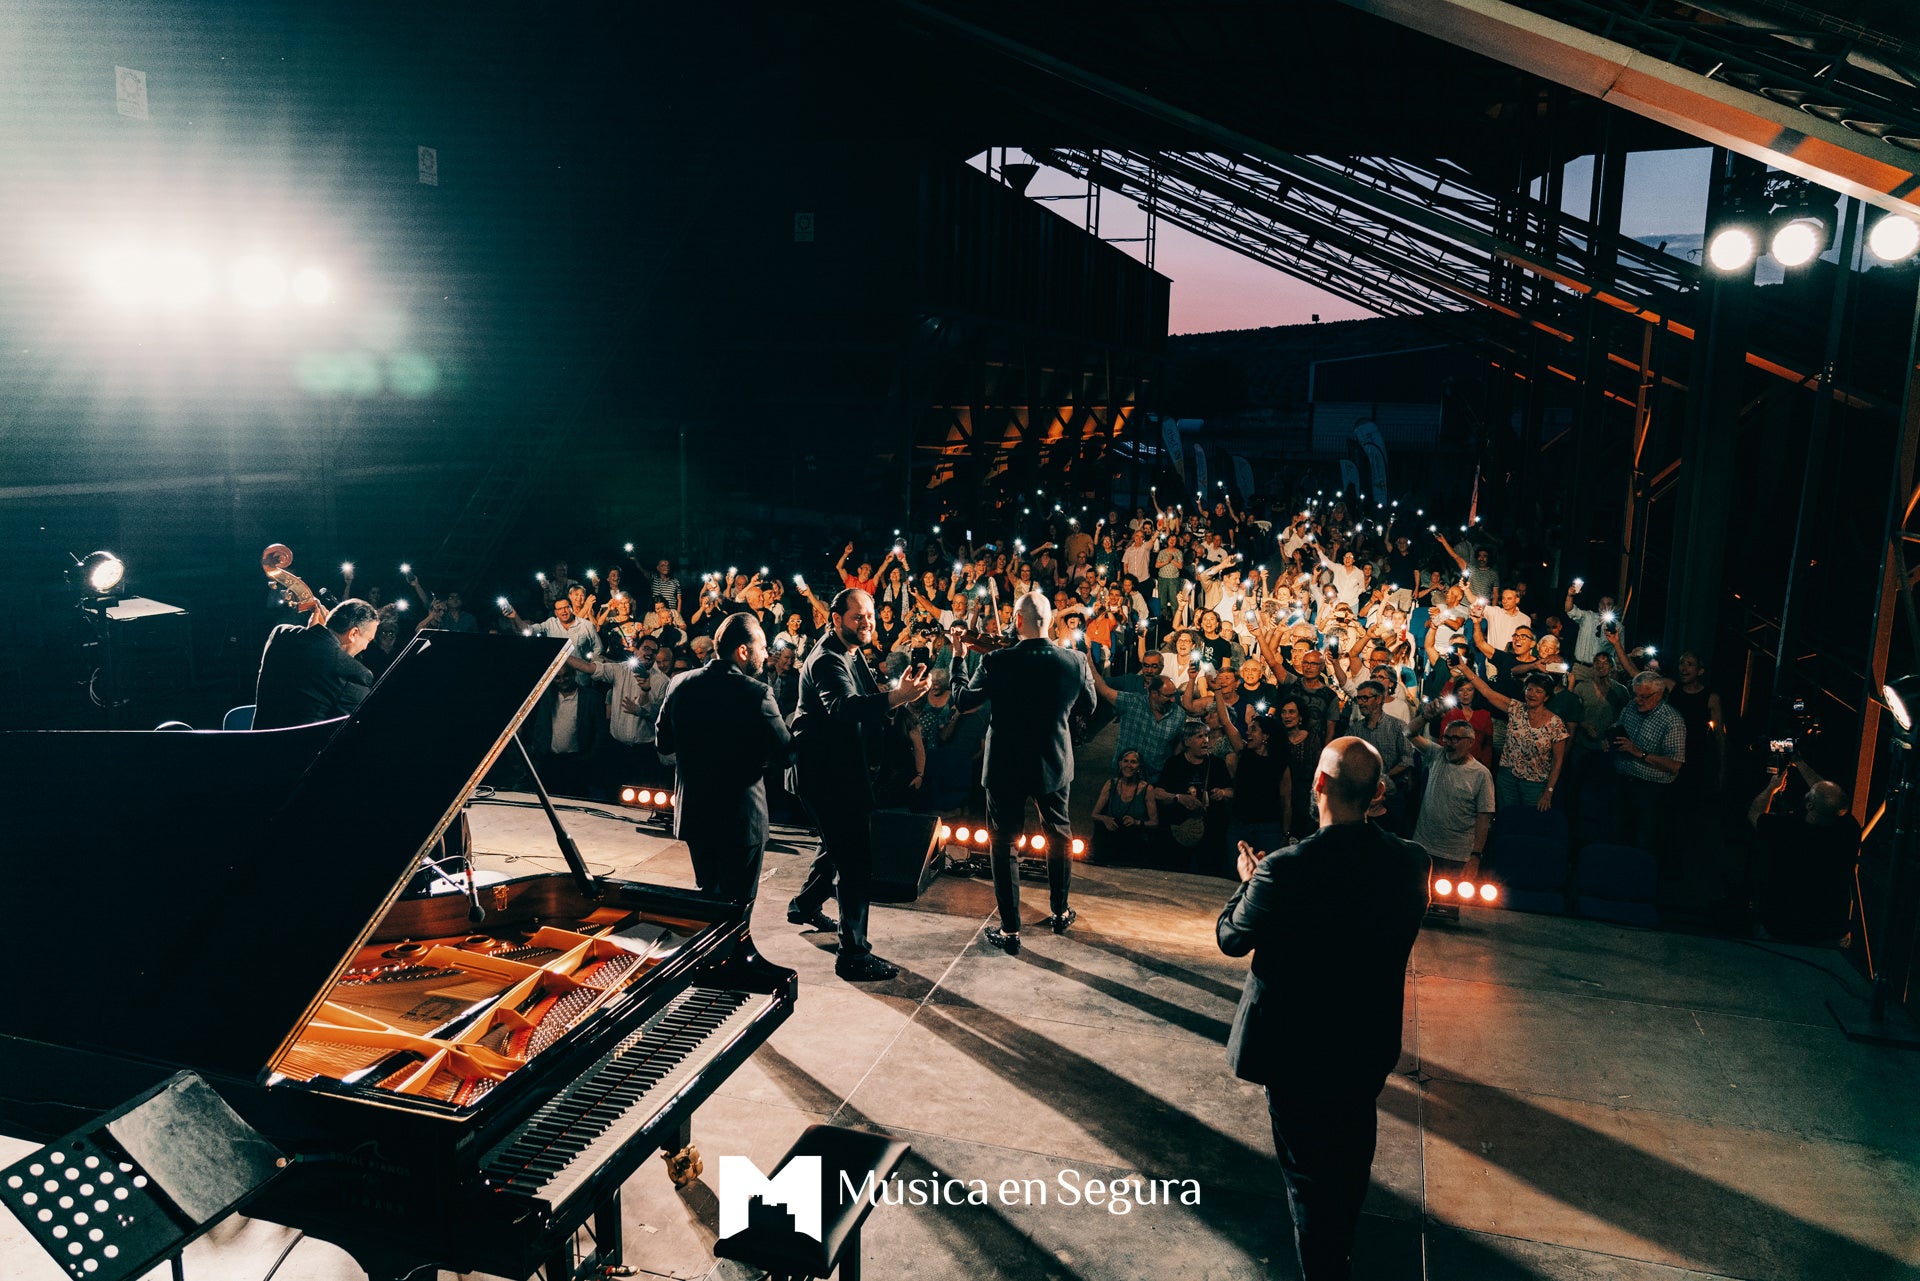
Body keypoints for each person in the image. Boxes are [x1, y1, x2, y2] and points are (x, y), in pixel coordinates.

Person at [1217, 738, 1430, 1281]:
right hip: (1364, 1043)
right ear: (1378, 793)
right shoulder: (1410, 863)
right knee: (1350, 1164)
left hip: (1295, 1049)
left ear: (1317, 785)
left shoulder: (1284, 870)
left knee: (1306, 1181)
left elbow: (1231, 938)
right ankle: (1341, 1251)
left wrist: (1250, 885)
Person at [787, 588, 932, 982]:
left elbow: (869, 701)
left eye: (870, 615)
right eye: (858, 617)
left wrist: (896, 696)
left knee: (837, 846)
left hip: (841, 772)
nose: (867, 622)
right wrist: (898, 696)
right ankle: (853, 954)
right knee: (855, 861)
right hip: (825, 776)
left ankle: (804, 904)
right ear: (836, 618)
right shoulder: (827, 660)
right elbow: (846, 709)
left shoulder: (852, 653)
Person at [953, 591, 1097, 953]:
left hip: (1005, 765)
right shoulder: (1075, 661)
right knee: (1059, 836)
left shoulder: (997, 661)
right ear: (1050, 621)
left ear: (1017, 620)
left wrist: (958, 657)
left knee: (1004, 844)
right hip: (1053, 760)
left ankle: (1010, 930)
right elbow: (1090, 705)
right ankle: (1060, 911)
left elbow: (963, 701)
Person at [654, 613, 794, 904]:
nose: (766, 653)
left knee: (708, 901)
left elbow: (664, 744)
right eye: (762, 646)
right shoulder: (757, 693)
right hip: (741, 820)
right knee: (737, 907)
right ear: (743, 651)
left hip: (696, 814)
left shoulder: (680, 683)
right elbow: (786, 755)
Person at [1747, 749, 1860, 943]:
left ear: (1809, 806)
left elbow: (1755, 814)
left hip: (1784, 926)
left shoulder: (1789, 831)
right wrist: (1798, 762)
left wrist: (1771, 788)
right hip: (1829, 929)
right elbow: (1828, 795)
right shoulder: (1849, 830)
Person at [253, 598, 380, 729]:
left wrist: (314, 635)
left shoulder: (281, 635)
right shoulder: (355, 673)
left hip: (257, 746)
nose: (365, 647)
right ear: (353, 633)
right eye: (368, 640)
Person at [1407, 702, 1496, 880]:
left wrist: (1475, 857)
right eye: (1446, 738)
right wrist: (1425, 716)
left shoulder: (1481, 774)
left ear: (1470, 742)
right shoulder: (1436, 754)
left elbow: (1483, 818)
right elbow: (1408, 732)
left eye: (1455, 739)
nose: (1449, 743)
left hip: (1457, 855)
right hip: (1425, 847)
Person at [1090, 748, 1159, 865]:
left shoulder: (1147, 789)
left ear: (1139, 766)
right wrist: (1105, 819)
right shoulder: (1110, 784)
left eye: (1133, 762)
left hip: (1133, 842)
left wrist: (1136, 822)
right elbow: (1094, 815)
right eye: (1125, 761)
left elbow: (1155, 823)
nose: (1129, 765)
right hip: (1111, 838)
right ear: (1119, 764)